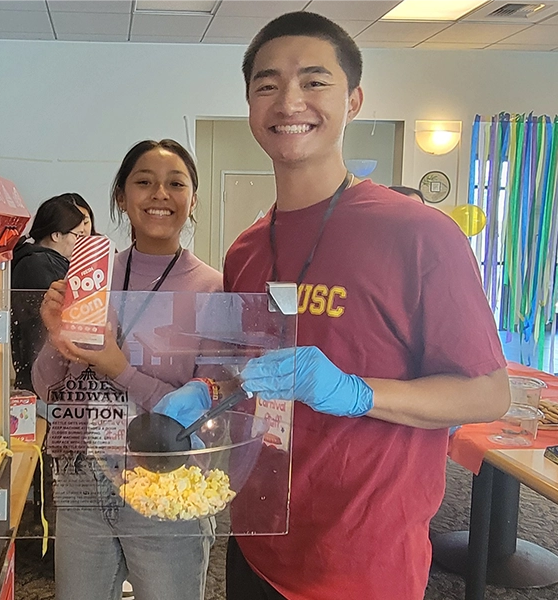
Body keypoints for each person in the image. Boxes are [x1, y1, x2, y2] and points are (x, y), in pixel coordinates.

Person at [156, 12, 510, 600]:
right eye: (267, 85)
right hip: (256, 542)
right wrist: (207, 393)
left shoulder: (420, 234)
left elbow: (487, 393)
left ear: (354, 100)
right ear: (250, 106)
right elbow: (245, 373)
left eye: (315, 81)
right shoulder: (246, 248)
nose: (289, 100)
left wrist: (357, 392)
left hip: (363, 564)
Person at [32, 139, 222, 600]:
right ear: (120, 195)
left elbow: (208, 418)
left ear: (192, 199)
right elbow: (45, 385)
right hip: (82, 478)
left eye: (175, 183)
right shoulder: (91, 276)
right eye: (144, 182)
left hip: (165, 485)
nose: (160, 194)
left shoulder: (214, 289)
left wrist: (120, 367)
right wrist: (57, 337)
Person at [10, 194, 89, 391]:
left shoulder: (33, 259)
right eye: (78, 236)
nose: (82, 242)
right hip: (47, 375)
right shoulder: (41, 265)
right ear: (56, 235)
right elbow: (66, 319)